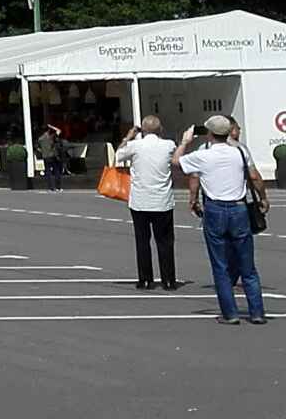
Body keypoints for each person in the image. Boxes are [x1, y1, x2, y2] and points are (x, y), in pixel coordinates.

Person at [177, 115, 268, 324]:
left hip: (215, 208)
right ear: (230, 131)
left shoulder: (204, 154)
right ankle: (257, 312)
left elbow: (178, 164)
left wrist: (184, 142)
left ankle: (230, 313)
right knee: (248, 266)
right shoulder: (240, 151)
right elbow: (254, 177)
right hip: (239, 208)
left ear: (210, 133)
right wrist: (263, 197)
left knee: (220, 264)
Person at [114, 115, 179, 290]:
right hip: (162, 200)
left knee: (142, 241)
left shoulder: (135, 146)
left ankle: (145, 279)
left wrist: (128, 137)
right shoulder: (169, 145)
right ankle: (168, 279)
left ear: (142, 130)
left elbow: (118, 155)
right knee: (165, 242)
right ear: (160, 129)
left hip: (140, 201)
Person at [36, 124, 66, 191]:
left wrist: (43, 151)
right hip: (52, 155)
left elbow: (38, 148)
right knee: (56, 171)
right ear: (48, 130)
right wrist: (51, 126)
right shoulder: (51, 137)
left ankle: (51, 188)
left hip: (45, 156)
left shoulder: (40, 139)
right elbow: (59, 130)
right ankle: (58, 187)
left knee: (48, 172)